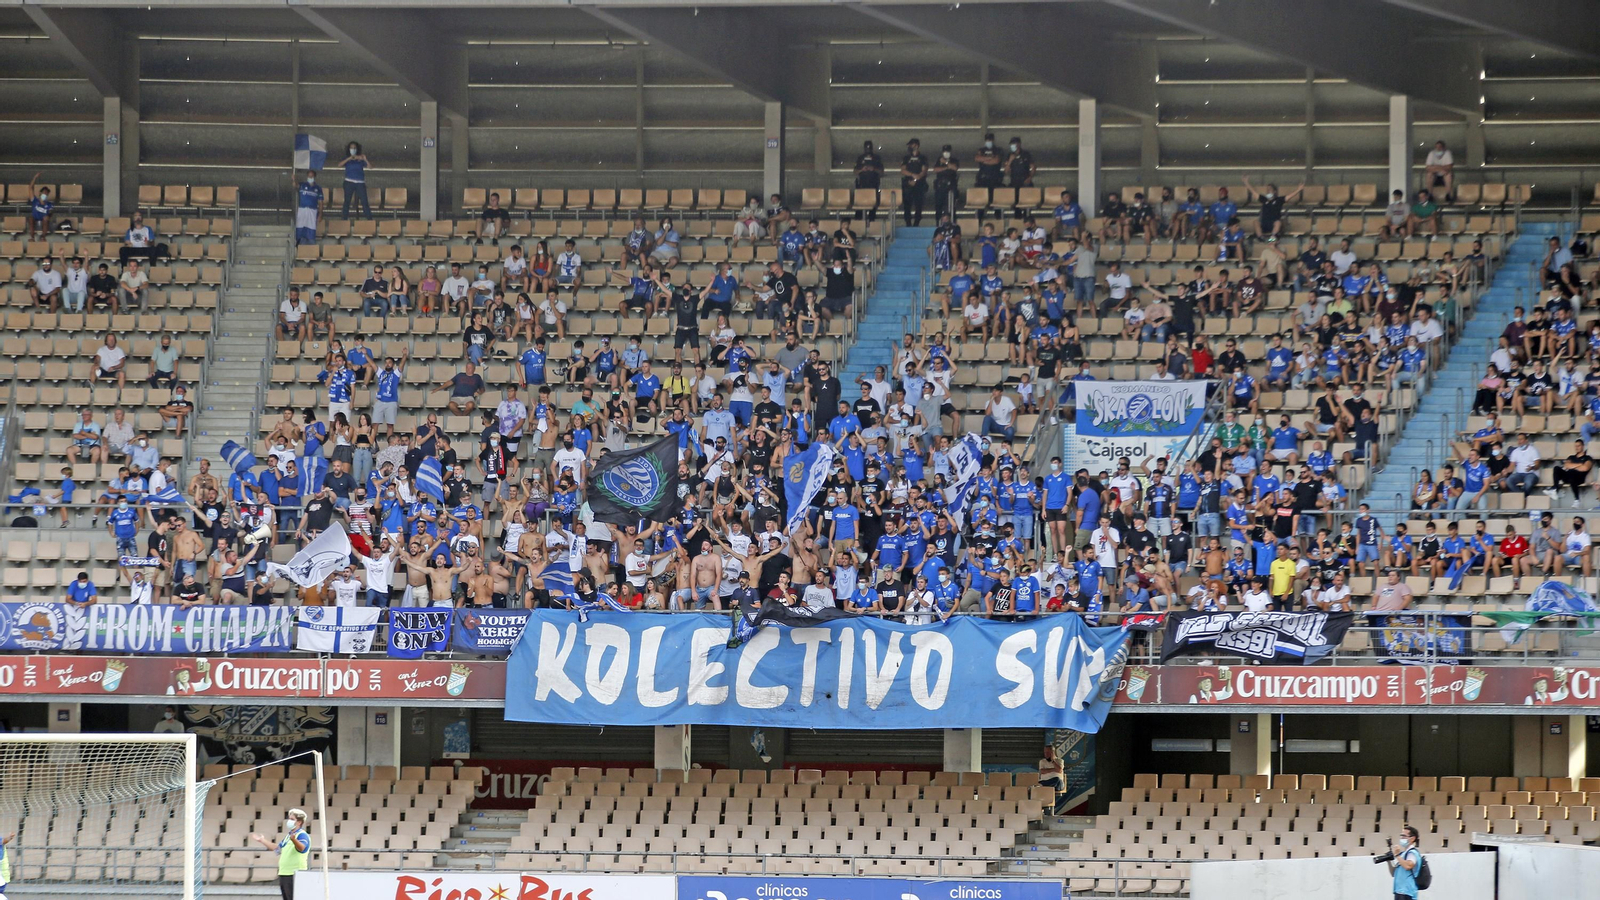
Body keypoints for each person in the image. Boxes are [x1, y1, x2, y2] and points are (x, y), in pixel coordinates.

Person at [252, 807, 310, 900]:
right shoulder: (288, 836)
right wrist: (262, 840)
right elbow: (277, 848)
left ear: (299, 822)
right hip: (285, 872)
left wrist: (294, 840)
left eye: (292, 819)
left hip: (295, 873)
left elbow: (302, 848)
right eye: (289, 819)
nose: (289, 821)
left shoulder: (302, 835)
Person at [1387, 824, 1422, 900]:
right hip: (1399, 890)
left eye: (1404, 836)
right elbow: (1394, 873)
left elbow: (1408, 866)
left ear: (1412, 838)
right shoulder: (1403, 854)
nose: (1402, 838)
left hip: (1407, 891)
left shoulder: (1412, 853)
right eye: (1401, 836)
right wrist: (1388, 860)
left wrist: (1397, 855)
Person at [337, 141, 371, 218]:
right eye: (351, 148)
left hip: (360, 183)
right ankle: (344, 220)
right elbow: (339, 165)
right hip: (349, 182)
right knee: (347, 202)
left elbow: (370, 167)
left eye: (354, 148)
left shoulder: (360, 159)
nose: (353, 149)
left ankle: (370, 220)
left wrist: (365, 159)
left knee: (364, 202)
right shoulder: (346, 158)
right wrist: (349, 158)